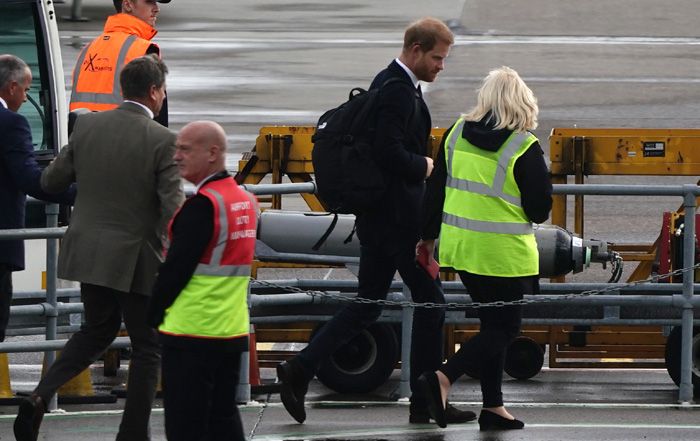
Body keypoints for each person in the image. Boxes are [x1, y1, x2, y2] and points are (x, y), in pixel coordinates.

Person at [276, 17, 475, 425]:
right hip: (398, 222)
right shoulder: (398, 92)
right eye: (437, 58)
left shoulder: (387, 81)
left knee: (368, 302)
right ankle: (426, 400)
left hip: (379, 219)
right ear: (416, 50)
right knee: (432, 304)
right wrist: (423, 165)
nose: (441, 66)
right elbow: (388, 152)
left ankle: (300, 369)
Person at [13, 54, 184, 441]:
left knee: (96, 330)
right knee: (147, 347)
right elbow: (174, 208)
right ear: (155, 92)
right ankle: (132, 433)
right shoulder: (164, 140)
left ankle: (40, 396)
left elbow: (52, 180)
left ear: (124, 88)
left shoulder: (87, 128)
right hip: (136, 258)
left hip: (89, 250)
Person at [417, 66, 553, 431]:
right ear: (521, 101)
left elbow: (436, 190)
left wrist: (427, 238)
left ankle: (493, 408)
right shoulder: (523, 145)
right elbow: (540, 208)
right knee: (505, 329)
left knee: (491, 324)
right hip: (503, 255)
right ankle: (443, 378)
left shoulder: (455, 133)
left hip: (462, 250)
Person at [146, 121, 258, 441]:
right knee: (223, 418)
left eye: (185, 149)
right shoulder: (243, 201)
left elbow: (175, 270)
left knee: (185, 426)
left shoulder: (202, 206)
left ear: (213, 153)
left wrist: (153, 315)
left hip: (191, 331)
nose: (176, 156)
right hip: (231, 328)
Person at [0, 54, 75, 343]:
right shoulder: (11, 123)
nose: (24, 97)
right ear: (12, 87)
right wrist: (78, 192)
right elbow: (30, 179)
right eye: (27, 90)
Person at [69, 0, 171, 126]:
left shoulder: (88, 49)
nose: (156, 9)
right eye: (149, 2)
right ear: (127, 5)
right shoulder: (143, 49)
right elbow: (158, 117)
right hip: (127, 139)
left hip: (84, 139)